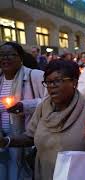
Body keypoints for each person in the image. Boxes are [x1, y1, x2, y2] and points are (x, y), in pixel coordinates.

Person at [0, 59, 85, 180]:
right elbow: (30, 137)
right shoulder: (44, 106)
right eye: (48, 82)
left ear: (74, 82)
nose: (51, 86)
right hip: (44, 174)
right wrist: (6, 141)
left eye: (57, 81)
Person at [0, 42, 46, 180]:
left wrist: (25, 106)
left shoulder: (36, 76)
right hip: (2, 140)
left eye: (10, 55)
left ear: (20, 57)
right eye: (2, 55)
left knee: (20, 172)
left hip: (26, 138)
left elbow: (53, 101)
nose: (5, 58)